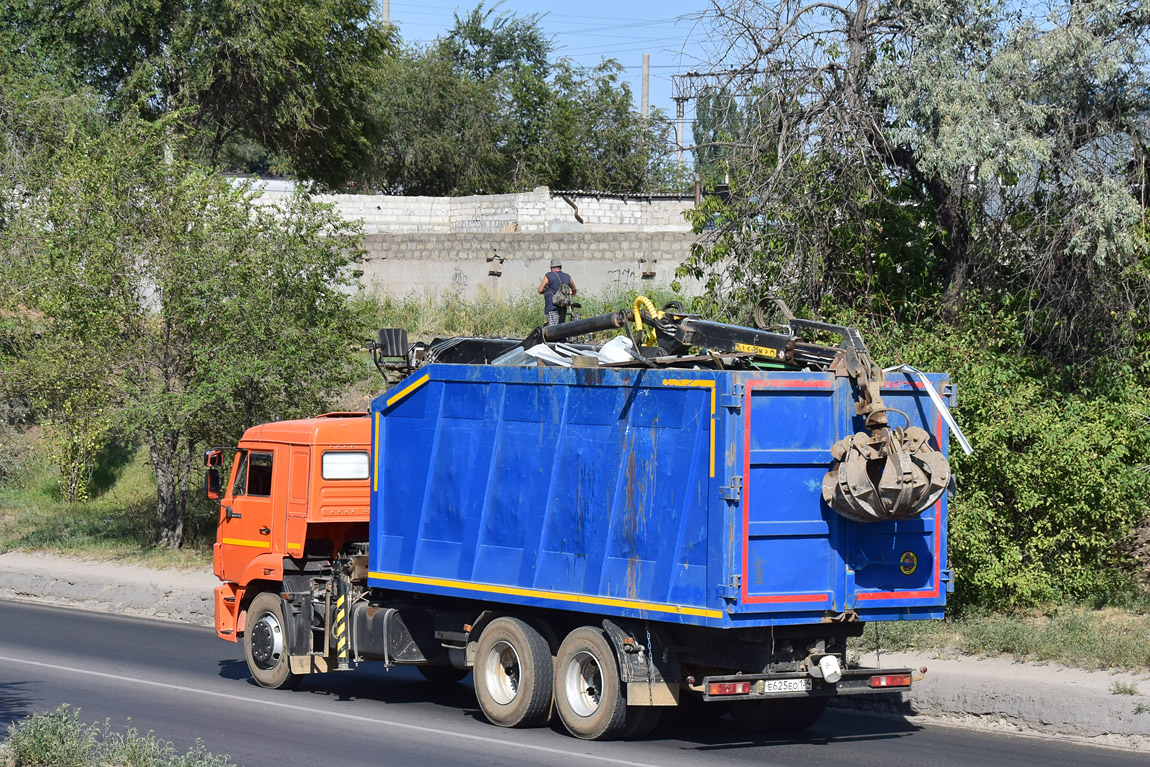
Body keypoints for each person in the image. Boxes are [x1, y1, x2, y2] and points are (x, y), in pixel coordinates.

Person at [538, 258, 576, 326]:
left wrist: (545, 291)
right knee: (561, 328)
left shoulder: (548, 275)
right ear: (560, 267)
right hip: (562, 306)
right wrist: (570, 293)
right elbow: (574, 289)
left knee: (553, 329)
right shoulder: (567, 276)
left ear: (551, 267)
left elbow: (540, 290)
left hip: (551, 306)